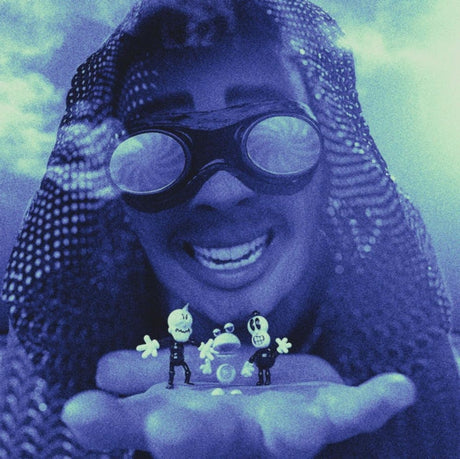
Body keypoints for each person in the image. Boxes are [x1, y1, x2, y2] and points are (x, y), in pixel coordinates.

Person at [1, 0, 458, 457]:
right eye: (156, 150)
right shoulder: (30, 389)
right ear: (122, 202)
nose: (221, 191)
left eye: (276, 136)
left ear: (330, 174)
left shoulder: (419, 371)